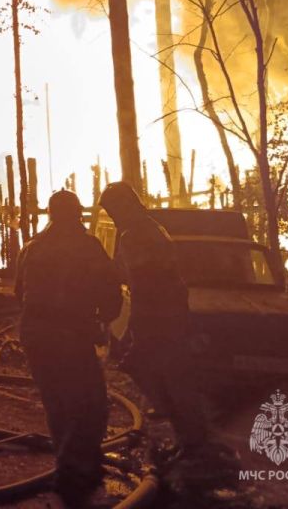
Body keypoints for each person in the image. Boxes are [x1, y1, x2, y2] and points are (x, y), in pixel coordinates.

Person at [15, 190, 122, 501]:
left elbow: (18, 291)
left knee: (57, 402)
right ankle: (75, 472)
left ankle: (72, 465)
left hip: (35, 336)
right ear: (78, 214)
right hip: (70, 336)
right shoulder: (88, 247)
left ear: (51, 214)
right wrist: (102, 320)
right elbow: (111, 293)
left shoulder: (32, 248)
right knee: (90, 404)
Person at [98, 181, 209, 459]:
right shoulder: (153, 228)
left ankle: (191, 437)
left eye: (112, 209)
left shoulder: (135, 235)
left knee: (161, 373)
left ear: (124, 206)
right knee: (167, 373)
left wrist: (137, 322)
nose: (112, 215)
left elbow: (142, 282)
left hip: (158, 316)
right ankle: (189, 432)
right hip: (170, 313)